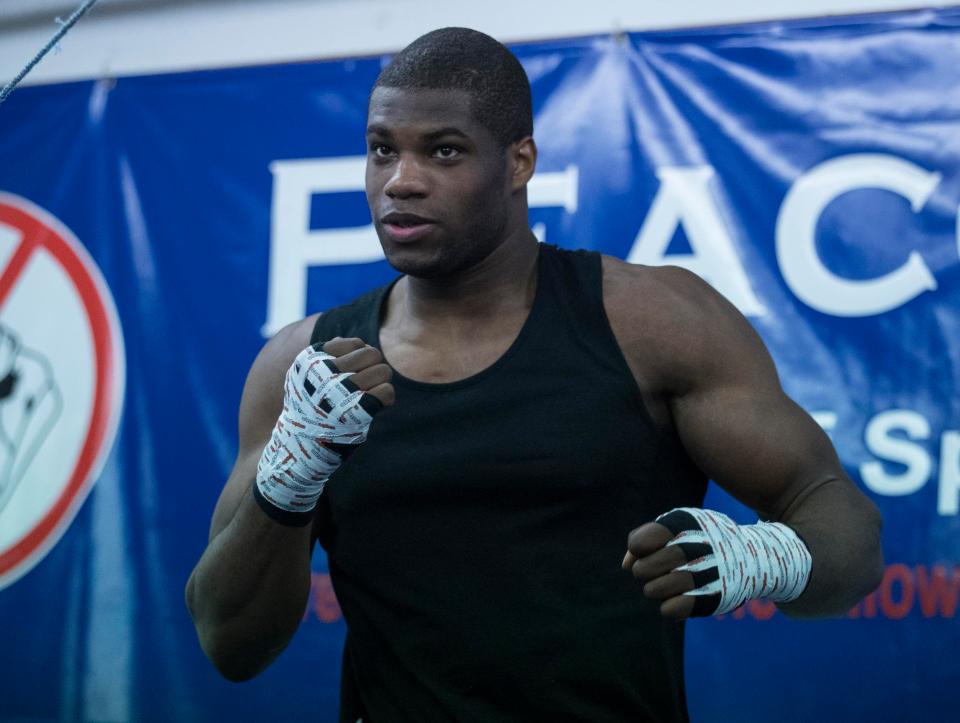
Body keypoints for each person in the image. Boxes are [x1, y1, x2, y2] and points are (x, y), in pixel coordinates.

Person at [185, 27, 883, 722]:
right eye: (381, 150)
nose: (401, 180)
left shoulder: (653, 324)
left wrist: (771, 557)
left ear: (519, 162)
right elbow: (229, 642)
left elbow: (843, 525)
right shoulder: (307, 366)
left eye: (444, 150)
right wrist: (288, 477)